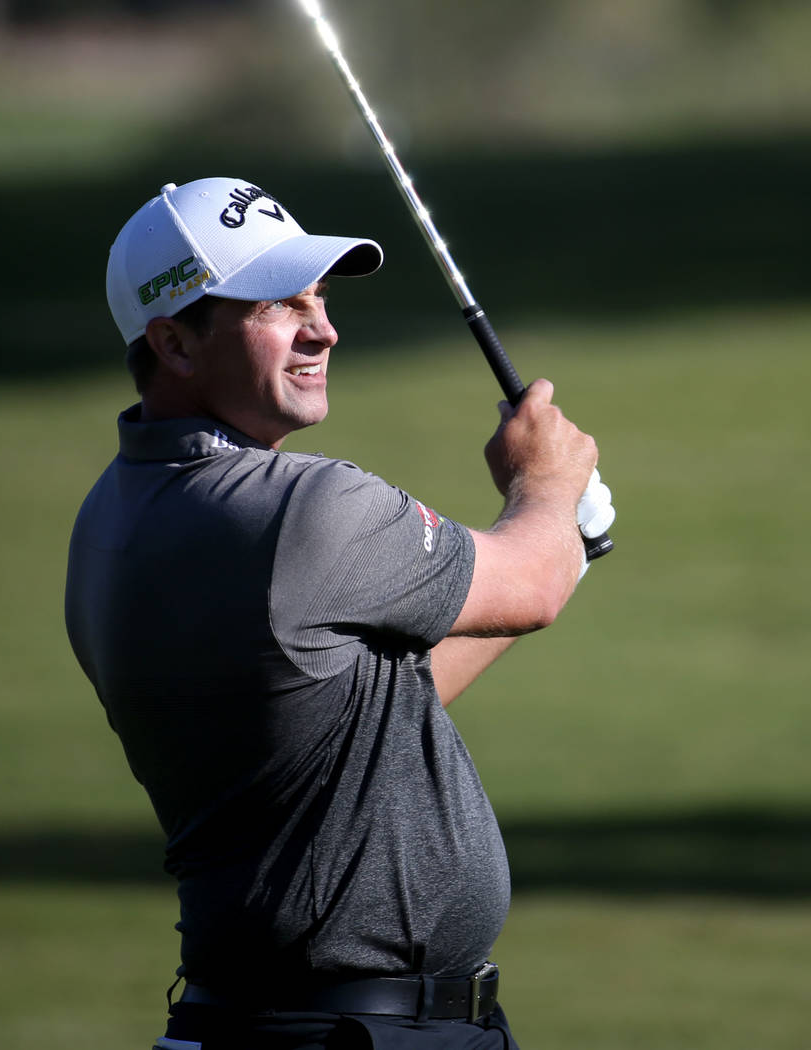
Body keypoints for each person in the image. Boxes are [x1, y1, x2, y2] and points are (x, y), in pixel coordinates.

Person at [64, 177, 614, 1050]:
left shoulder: (113, 514)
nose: (322, 329)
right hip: (345, 1032)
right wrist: (546, 485)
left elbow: (364, 698)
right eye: (278, 305)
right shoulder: (300, 508)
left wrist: (562, 541)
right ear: (171, 340)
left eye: (316, 297)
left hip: (260, 1020)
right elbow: (531, 584)